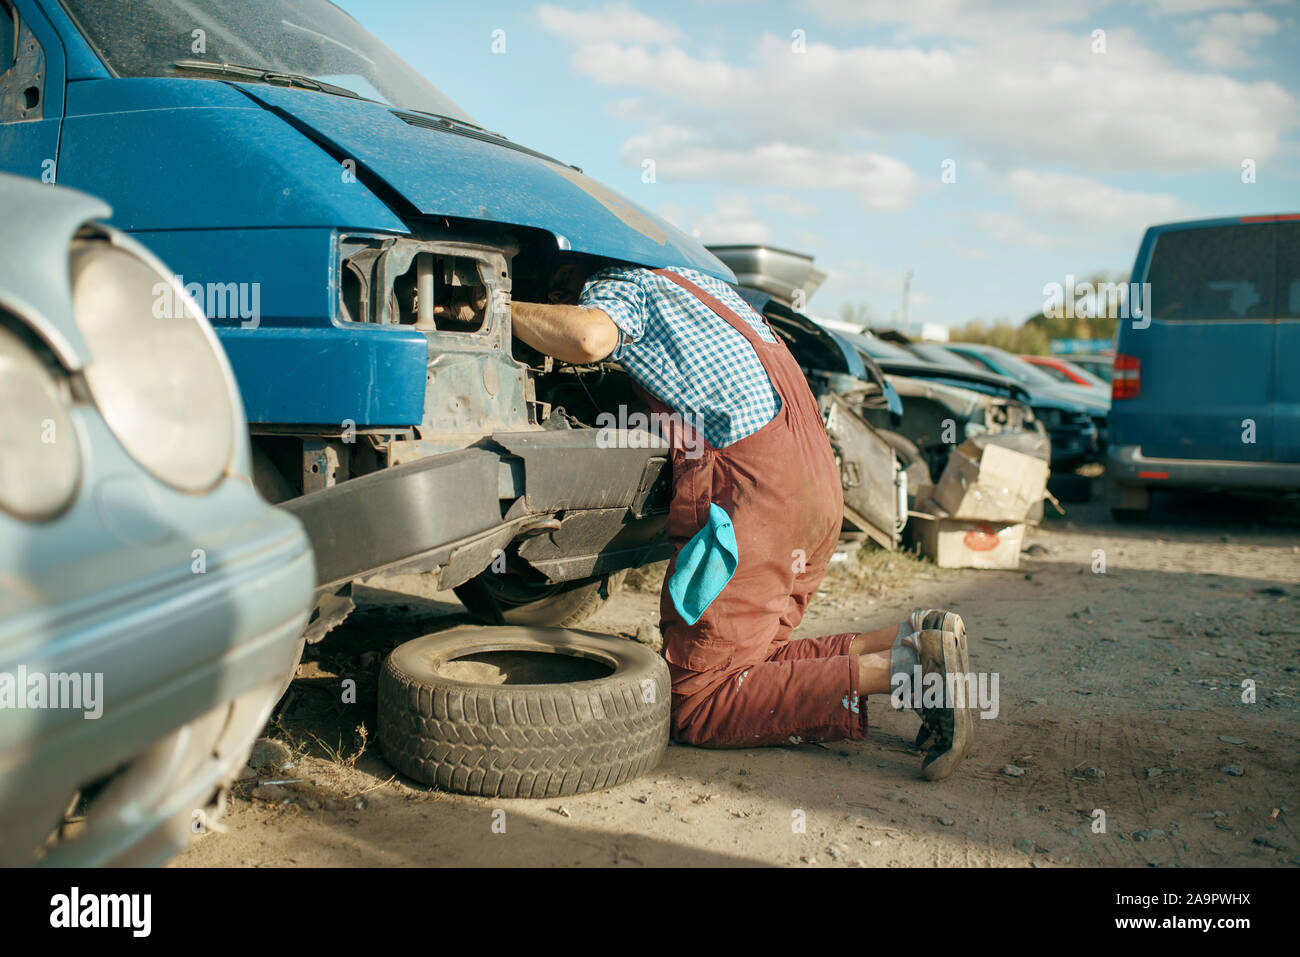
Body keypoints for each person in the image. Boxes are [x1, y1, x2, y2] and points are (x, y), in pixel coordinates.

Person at [506, 258, 974, 779]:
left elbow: (590, 338)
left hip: (759, 490)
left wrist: (503, 309)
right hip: (813, 481)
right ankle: (916, 639)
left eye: (555, 288)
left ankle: (908, 673)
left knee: (699, 699)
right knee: (755, 663)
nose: (559, 297)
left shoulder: (620, 285)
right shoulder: (705, 288)